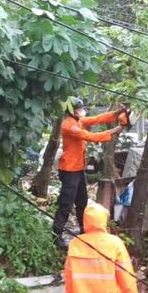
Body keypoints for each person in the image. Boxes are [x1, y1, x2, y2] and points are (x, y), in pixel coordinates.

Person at [52, 97, 126, 249]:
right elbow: (90, 137)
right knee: (66, 204)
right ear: (72, 111)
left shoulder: (77, 121)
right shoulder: (68, 126)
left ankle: (84, 232)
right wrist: (113, 131)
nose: (82, 111)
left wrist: (117, 113)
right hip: (69, 171)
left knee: (82, 202)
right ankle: (56, 236)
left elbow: (97, 119)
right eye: (79, 109)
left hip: (78, 169)